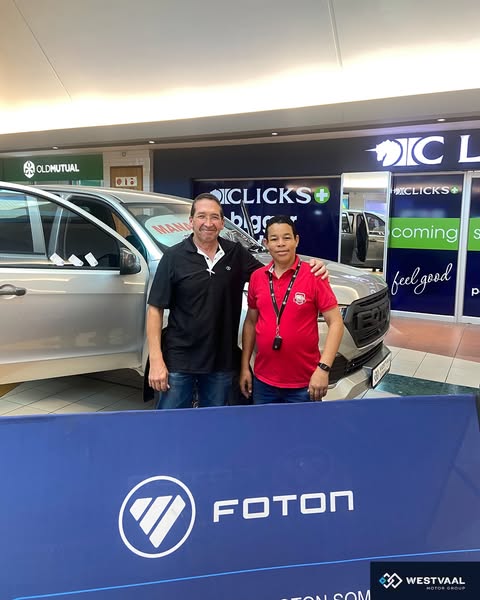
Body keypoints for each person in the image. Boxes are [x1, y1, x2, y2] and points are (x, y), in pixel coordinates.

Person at [146, 193, 329, 409]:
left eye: (214, 217)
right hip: (179, 360)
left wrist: (311, 267)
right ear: (191, 221)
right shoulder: (173, 257)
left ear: (222, 223)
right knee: (171, 422)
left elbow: (272, 273)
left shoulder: (235, 253)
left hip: (221, 362)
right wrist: (156, 360)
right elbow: (155, 310)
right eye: (202, 216)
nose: (208, 223)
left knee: (215, 422)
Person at [240, 215, 344, 404]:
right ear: (266, 243)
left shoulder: (314, 275)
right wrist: (245, 366)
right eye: (274, 239)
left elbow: (336, 322)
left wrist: (323, 369)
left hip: (304, 383)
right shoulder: (257, 277)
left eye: (286, 237)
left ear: (296, 240)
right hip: (263, 382)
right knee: (264, 424)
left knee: (304, 425)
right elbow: (250, 322)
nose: (281, 244)